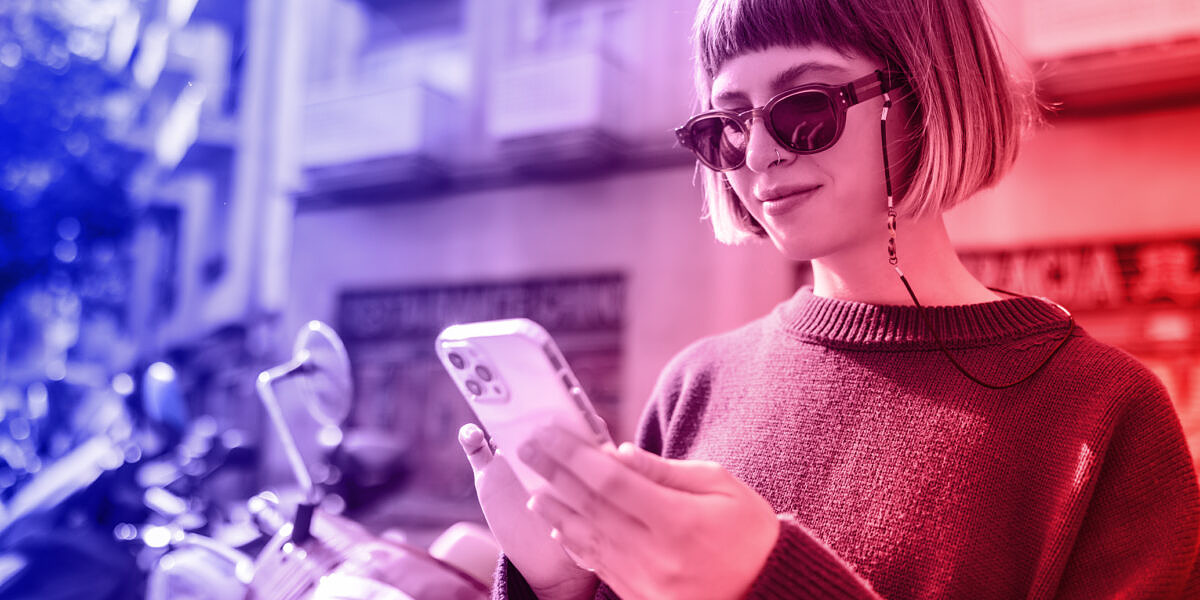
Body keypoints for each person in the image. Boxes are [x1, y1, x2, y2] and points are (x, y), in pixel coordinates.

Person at [457, 0, 1200, 597]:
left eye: (803, 107)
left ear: (927, 92)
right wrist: (558, 584)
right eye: (728, 124)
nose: (757, 155)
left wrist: (770, 581)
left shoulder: (1104, 411)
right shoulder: (697, 383)